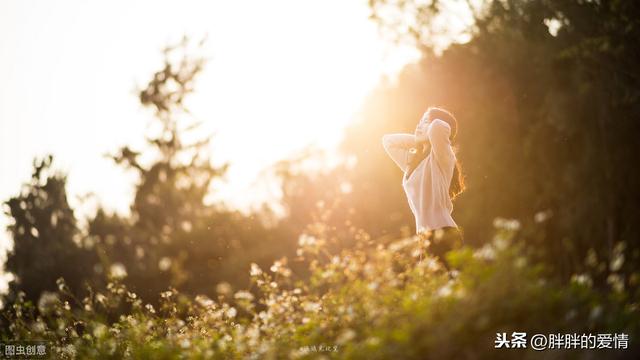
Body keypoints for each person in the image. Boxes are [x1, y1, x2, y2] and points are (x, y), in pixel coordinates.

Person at [381, 106, 465, 271]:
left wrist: (426, 137)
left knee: (455, 294)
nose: (419, 125)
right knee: (430, 294)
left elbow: (439, 126)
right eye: (419, 121)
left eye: (425, 121)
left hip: (444, 233)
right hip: (424, 239)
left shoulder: (442, 156)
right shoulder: (411, 161)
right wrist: (420, 139)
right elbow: (388, 141)